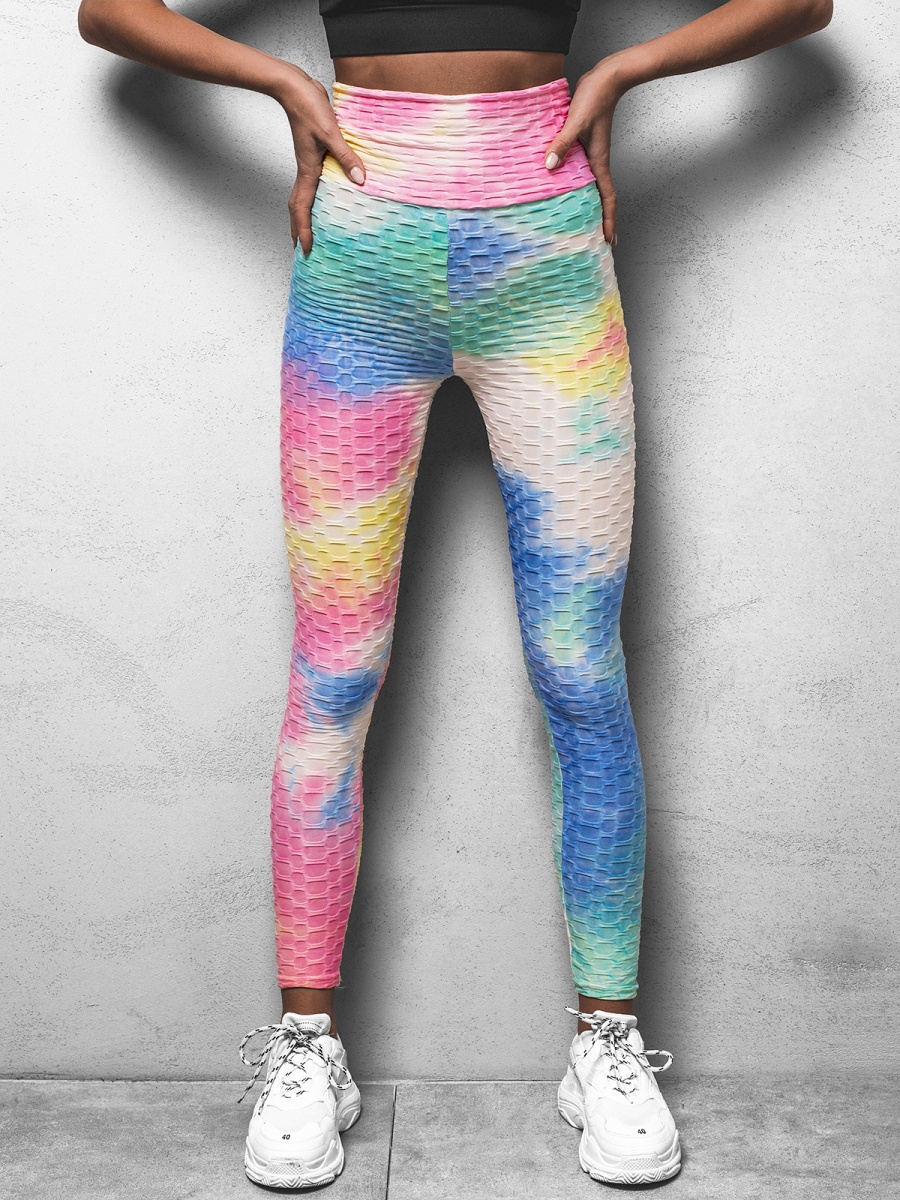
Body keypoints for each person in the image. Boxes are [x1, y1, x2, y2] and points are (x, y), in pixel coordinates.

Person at [77, 0, 833, 1189]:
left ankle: (606, 1042)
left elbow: (804, 7)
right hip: (362, 259)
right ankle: (308, 1047)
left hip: (547, 255)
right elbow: (107, 14)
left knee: (579, 668)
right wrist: (286, 85)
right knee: (334, 673)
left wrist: (628, 68)